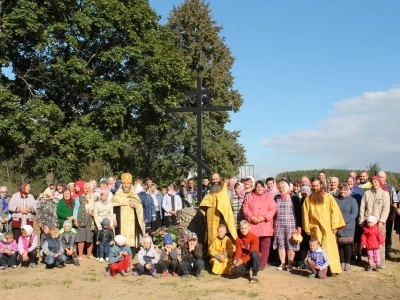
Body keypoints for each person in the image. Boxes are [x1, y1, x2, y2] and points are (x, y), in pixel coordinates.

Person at [302, 178, 345, 275]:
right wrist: (307, 228)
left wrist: (335, 226)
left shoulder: (329, 197)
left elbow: (335, 212)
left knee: (330, 248)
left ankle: (332, 269)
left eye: (317, 186)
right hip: (315, 229)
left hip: (328, 229)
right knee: (317, 250)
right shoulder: (308, 200)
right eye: (313, 186)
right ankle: (318, 270)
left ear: (321, 185)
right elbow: (305, 214)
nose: (315, 188)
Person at [242, 180, 276, 270]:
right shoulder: (249, 197)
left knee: (265, 246)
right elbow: (245, 209)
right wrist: (251, 217)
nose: (259, 188)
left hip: (265, 225)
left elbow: (273, 209)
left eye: (261, 187)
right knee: (254, 245)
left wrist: (264, 217)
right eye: (258, 187)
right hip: (253, 225)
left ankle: (262, 264)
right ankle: (254, 262)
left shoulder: (269, 197)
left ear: (264, 187)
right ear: (255, 187)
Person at [359, 176, 390, 268]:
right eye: (373, 182)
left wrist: (382, 221)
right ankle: (371, 262)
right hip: (368, 223)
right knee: (369, 243)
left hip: (379, 223)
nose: (374, 183)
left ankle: (380, 262)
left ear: (380, 182)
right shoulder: (367, 193)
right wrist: (361, 220)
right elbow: (362, 207)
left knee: (380, 242)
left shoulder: (385, 194)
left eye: (376, 181)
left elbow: (386, 209)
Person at [199, 173, 238, 247]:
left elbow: (225, 204)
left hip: (221, 216)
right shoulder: (211, 191)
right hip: (211, 216)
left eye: (216, 179)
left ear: (220, 179)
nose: (214, 181)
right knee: (211, 236)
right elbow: (205, 202)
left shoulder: (223, 189)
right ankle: (212, 254)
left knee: (221, 235)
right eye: (213, 179)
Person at [273, 181, 301, 272]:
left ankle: (290, 264)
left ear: (288, 187)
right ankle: (282, 263)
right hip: (279, 224)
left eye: (283, 187)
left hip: (291, 224)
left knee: (291, 244)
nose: (281, 189)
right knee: (281, 244)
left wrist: (299, 227)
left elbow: (298, 213)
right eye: (280, 188)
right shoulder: (276, 198)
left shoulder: (294, 198)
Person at [112, 173, 144, 249]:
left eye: (128, 183)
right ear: (122, 184)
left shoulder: (134, 194)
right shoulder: (117, 195)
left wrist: (135, 205)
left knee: (131, 240)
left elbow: (139, 205)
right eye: (124, 183)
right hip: (120, 222)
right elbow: (113, 207)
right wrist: (113, 219)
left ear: (130, 184)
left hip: (131, 223)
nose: (126, 185)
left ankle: (131, 251)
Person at [335, 183, 358, 271]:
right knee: (340, 245)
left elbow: (354, 213)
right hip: (338, 226)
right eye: (341, 190)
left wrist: (344, 221)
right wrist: (338, 222)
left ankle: (348, 263)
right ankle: (342, 262)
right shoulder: (336, 199)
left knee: (348, 245)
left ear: (348, 190)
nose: (343, 191)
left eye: (345, 190)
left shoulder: (352, 200)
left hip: (349, 226)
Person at [73, 181, 98, 259]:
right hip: (81, 219)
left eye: (89, 188)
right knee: (81, 238)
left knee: (90, 237)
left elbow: (98, 208)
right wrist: (75, 219)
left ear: (91, 188)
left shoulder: (96, 198)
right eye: (86, 188)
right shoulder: (79, 197)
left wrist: (94, 213)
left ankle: (89, 254)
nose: (87, 189)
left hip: (91, 220)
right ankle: (80, 255)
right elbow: (76, 209)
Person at [377, 171, 398, 259]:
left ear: (385, 178)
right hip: (377, 214)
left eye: (382, 177)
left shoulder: (390, 187)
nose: (380, 179)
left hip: (388, 214)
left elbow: (395, 201)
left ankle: (387, 251)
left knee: (388, 234)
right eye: (379, 177)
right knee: (377, 233)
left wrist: (392, 215)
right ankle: (376, 251)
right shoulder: (375, 186)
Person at [232, 220, 260, 284]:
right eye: (242, 228)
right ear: (239, 228)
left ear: (249, 228)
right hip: (244, 259)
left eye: (245, 228)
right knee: (237, 268)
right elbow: (238, 252)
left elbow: (252, 252)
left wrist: (242, 261)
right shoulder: (238, 239)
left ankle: (254, 275)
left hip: (252, 259)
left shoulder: (254, 238)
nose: (243, 230)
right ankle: (246, 271)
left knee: (255, 254)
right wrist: (236, 260)